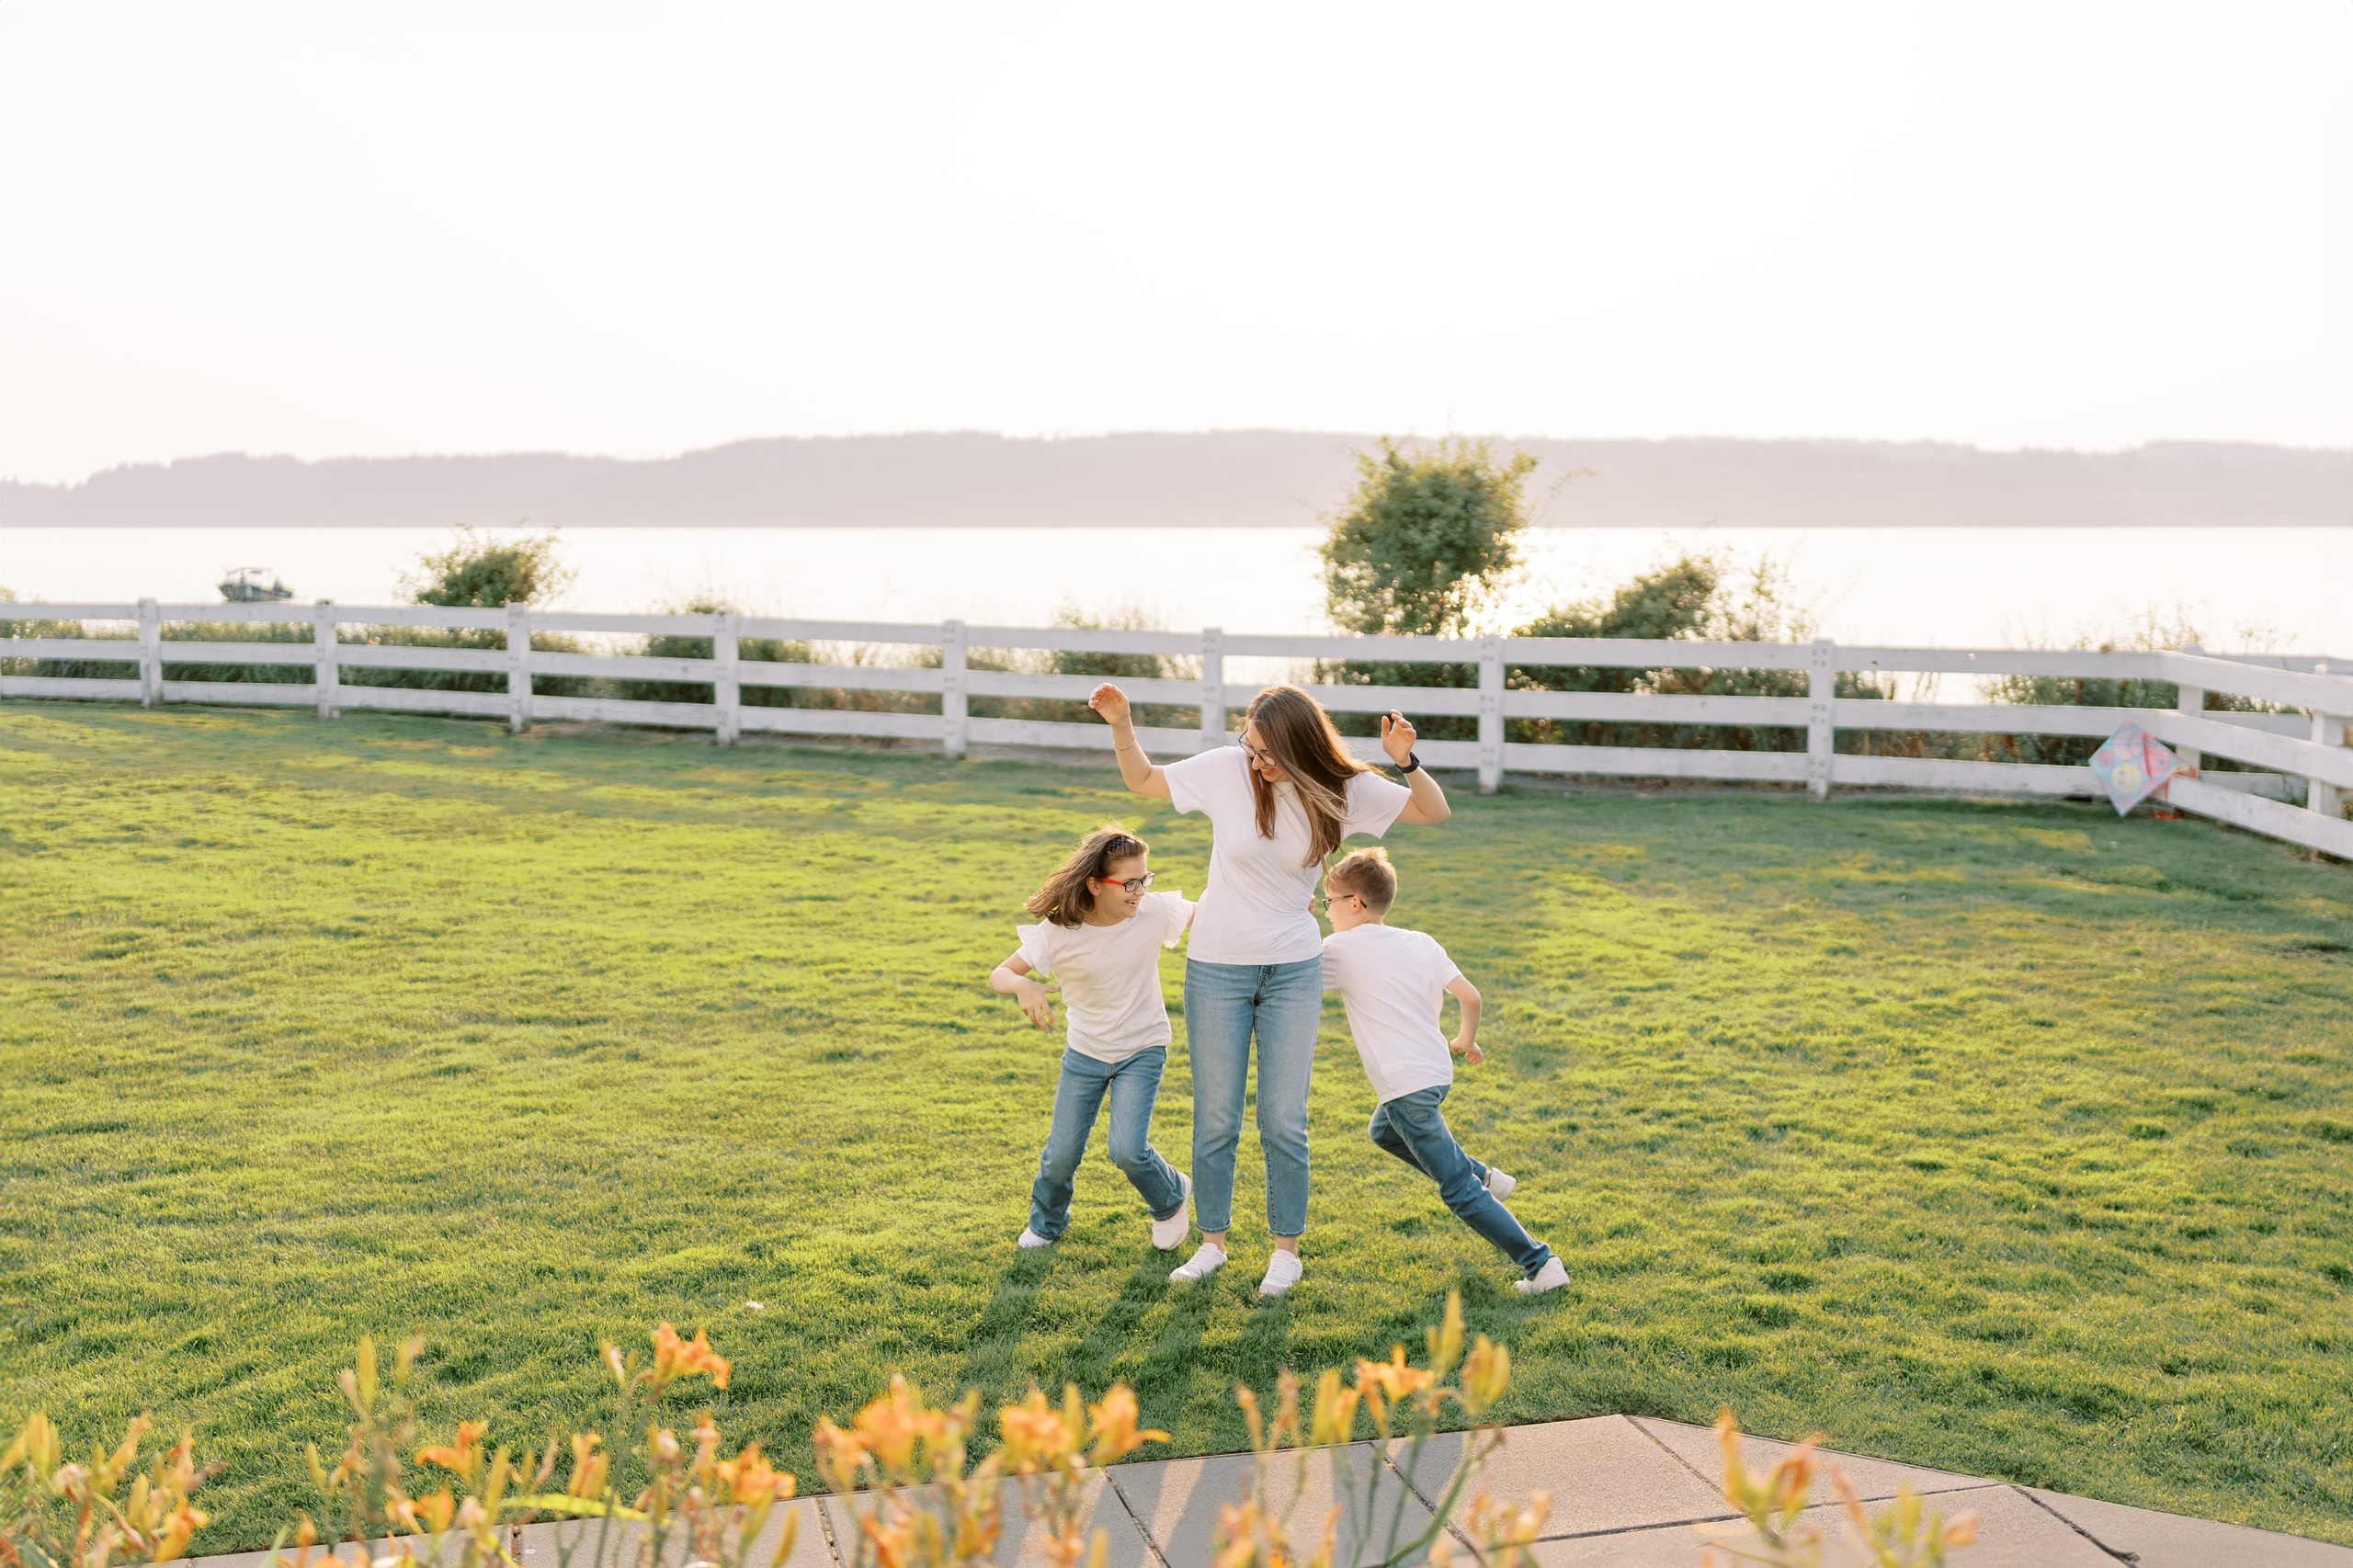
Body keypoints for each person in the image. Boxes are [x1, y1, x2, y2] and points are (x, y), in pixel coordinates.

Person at [1086, 681, 1452, 1298]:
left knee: (1284, 1121)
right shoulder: (1228, 769)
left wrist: (1405, 761)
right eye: (1249, 747)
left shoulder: (1341, 788)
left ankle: (1286, 1254)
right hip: (1216, 968)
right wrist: (1122, 724)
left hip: (1291, 969)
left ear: (1300, 746)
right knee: (1216, 1118)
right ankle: (1212, 1244)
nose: (1254, 761)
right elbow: (1143, 780)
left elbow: (1432, 812)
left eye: (1266, 752)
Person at [1319, 846, 1567, 1295]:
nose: (1325, 912)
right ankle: (1483, 1174)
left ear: (1354, 903)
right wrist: (1466, 1039)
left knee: (1456, 1189)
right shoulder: (1421, 941)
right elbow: (1470, 996)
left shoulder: (1338, 949)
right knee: (1383, 1132)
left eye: (1328, 902)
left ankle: (1540, 1264)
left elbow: (1294, 981)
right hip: (1436, 1072)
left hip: (1405, 1086)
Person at [989, 825, 1196, 1252]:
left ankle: (1171, 1197)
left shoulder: (1154, 911)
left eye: (1145, 879)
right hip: (1085, 1053)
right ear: (1095, 885)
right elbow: (1000, 974)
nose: (1140, 891)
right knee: (1061, 1154)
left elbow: (1215, 912)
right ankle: (1046, 1222)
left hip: (1142, 1048)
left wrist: (1281, 906)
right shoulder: (1058, 932)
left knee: (1127, 1150)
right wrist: (1023, 986)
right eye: (1130, 883)